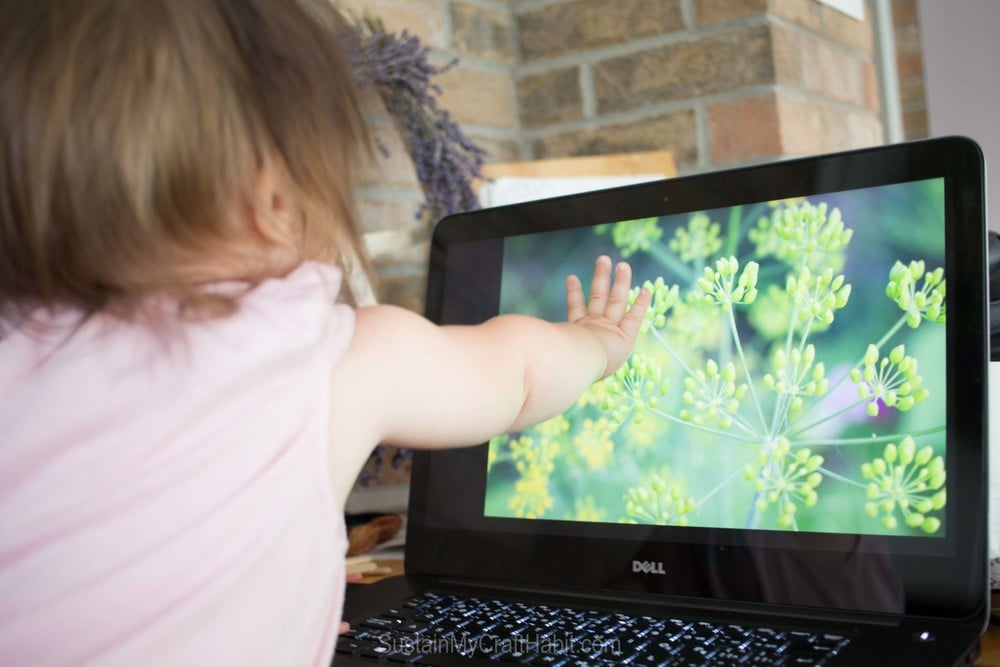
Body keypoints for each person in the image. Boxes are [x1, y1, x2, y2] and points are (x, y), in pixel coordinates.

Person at [0, 1, 650, 665]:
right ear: (276, 198)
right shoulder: (323, 355)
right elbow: (517, 375)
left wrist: (287, 600)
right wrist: (596, 343)